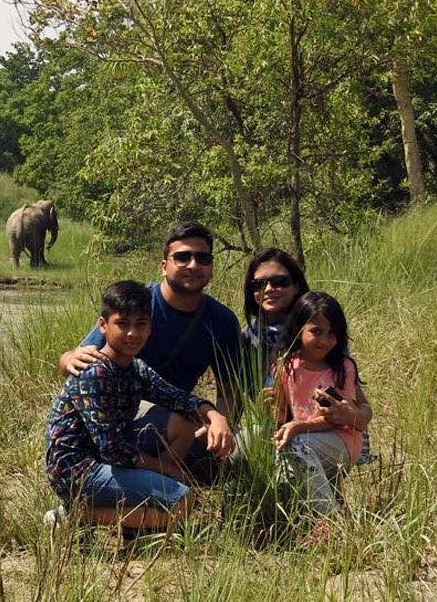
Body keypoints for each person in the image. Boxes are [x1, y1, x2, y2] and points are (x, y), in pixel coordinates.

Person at [44, 280, 233, 533]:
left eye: (140, 324)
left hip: (106, 455)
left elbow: (177, 398)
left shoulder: (135, 367)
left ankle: (141, 507)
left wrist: (215, 415)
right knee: (182, 501)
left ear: (150, 328)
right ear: (103, 325)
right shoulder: (95, 373)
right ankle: (77, 514)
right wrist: (169, 470)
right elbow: (112, 450)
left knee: (183, 423)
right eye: (122, 324)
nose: (132, 333)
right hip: (76, 469)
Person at [57, 223, 243, 476]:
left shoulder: (222, 320)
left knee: (219, 467)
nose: (193, 265)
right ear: (164, 265)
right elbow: (78, 359)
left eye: (203, 258)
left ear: (211, 267)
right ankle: (150, 484)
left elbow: (229, 390)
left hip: (178, 409)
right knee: (172, 434)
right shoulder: (138, 304)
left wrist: (219, 423)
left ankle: (156, 484)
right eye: (182, 257)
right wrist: (67, 358)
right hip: (123, 410)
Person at [269, 291, 373, 516]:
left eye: (332, 334)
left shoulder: (342, 367)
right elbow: (281, 414)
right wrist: (270, 406)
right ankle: (305, 516)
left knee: (294, 447)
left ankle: (330, 519)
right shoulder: (285, 366)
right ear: (298, 330)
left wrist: (297, 427)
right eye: (316, 332)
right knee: (281, 468)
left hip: (341, 440)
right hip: (305, 441)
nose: (325, 341)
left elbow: (335, 419)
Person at [240, 248, 311, 391]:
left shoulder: (316, 329)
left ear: (296, 286)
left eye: (279, 281)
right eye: (258, 284)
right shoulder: (247, 337)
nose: (268, 289)